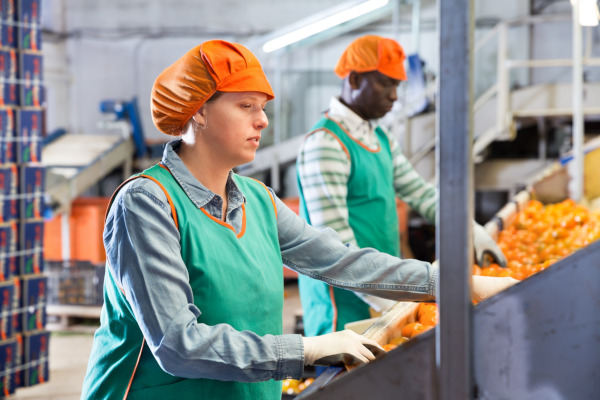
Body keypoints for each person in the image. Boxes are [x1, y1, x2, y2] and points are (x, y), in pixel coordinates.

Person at [81, 40, 516, 400]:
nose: (263, 120)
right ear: (198, 111)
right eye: (246, 105)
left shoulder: (258, 200)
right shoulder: (147, 203)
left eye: (263, 106)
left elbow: (345, 262)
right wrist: (308, 348)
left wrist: (460, 284)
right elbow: (178, 344)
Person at [296, 35, 509, 338]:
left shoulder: (380, 138)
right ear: (355, 79)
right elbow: (333, 247)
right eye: (386, 83)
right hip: (345, 307)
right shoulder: (326, 144)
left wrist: (469, 229)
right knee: (347, 385)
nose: (395, 96)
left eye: (398, 85)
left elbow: (421, 193)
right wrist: (393, 301)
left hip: (384, 289)